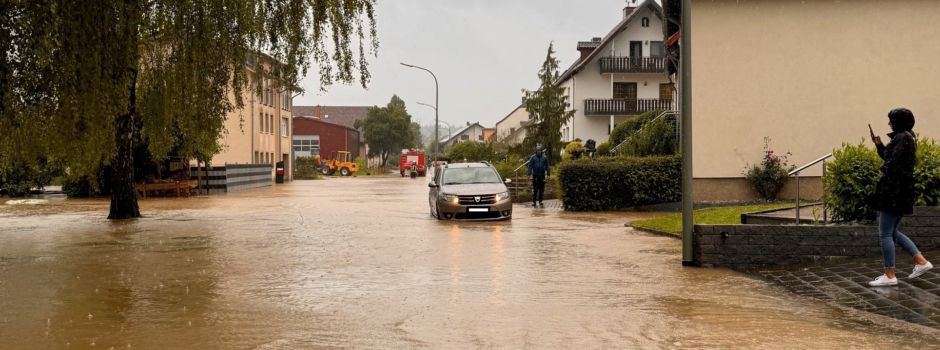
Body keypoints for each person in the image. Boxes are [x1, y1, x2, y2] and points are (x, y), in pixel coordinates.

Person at [868, 108, 933, 287]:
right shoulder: (907, 137)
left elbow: (893, 163)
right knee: (893, 233)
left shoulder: (902, 138)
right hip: (901, 191)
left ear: (899, 121)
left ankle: (889, 275)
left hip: (894, 192)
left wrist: (884, 171)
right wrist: (879, 145)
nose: (889, 123)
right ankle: (921, 262)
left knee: (885, 234)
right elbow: (890, 157)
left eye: (891, 120)